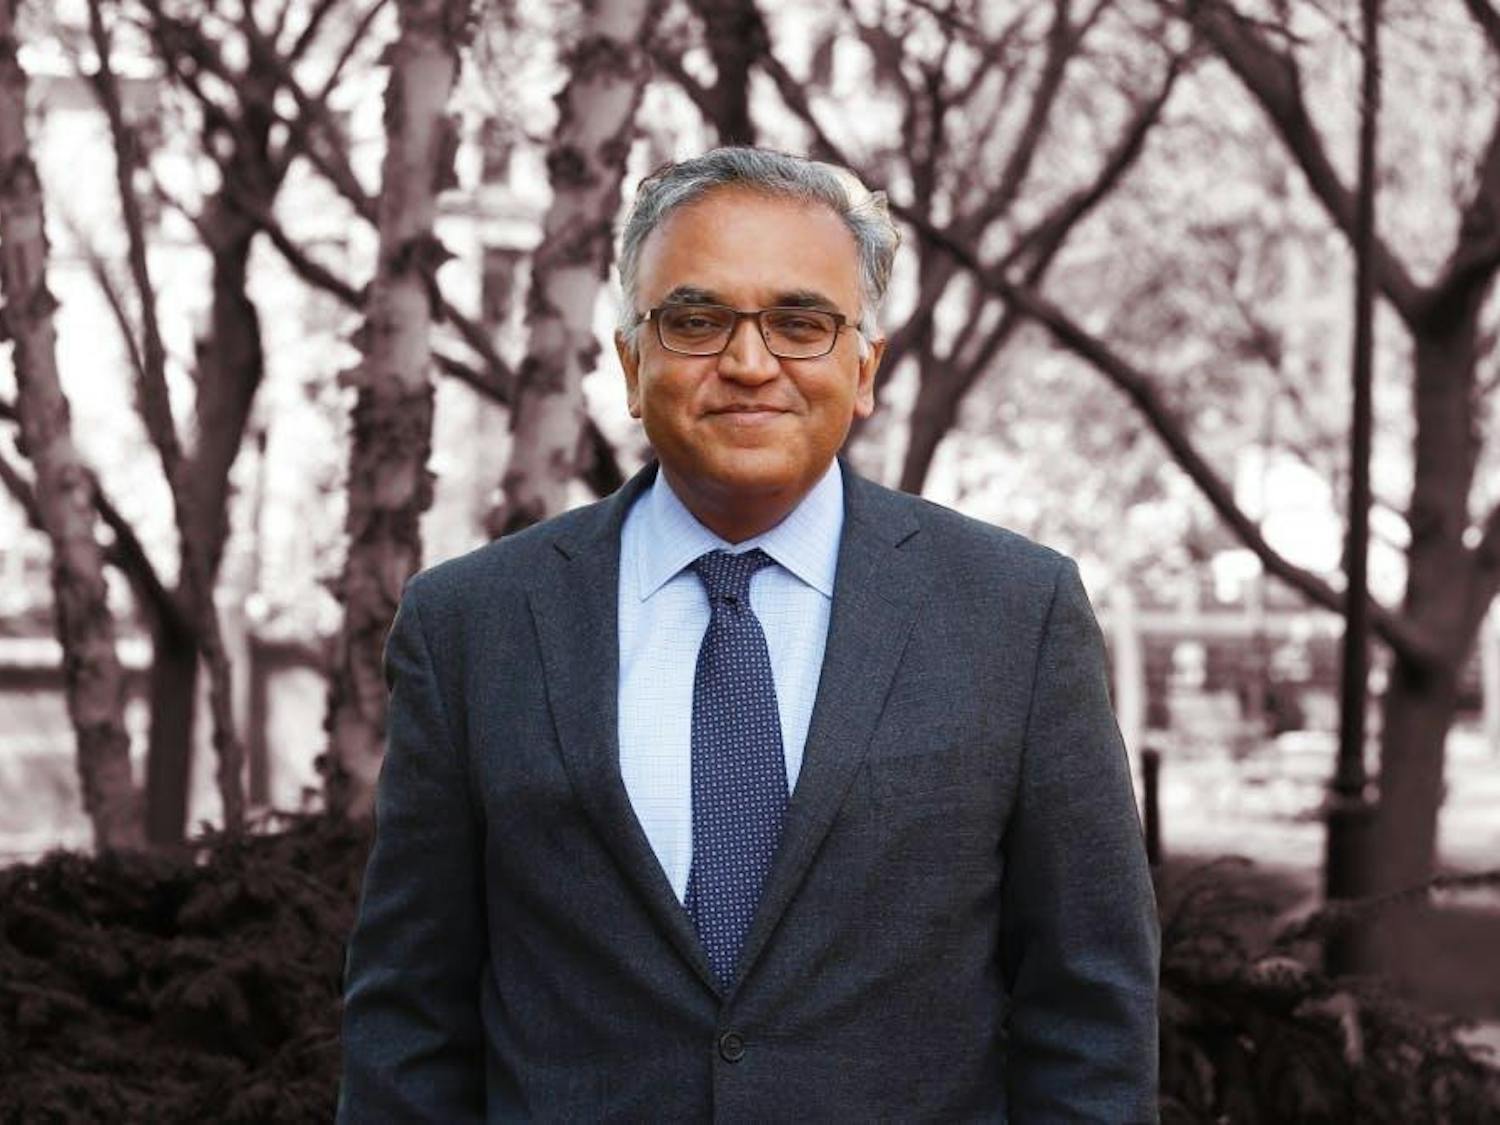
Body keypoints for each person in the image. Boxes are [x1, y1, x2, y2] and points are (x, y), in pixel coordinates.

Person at [338, 146, 1159, 1121]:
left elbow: (1091, 1009)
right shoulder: (474, 625)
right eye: (696, 320)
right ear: (633, 364)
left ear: (863, 368)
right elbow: (410, 1016)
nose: (749, 363)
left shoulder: (1015, 616)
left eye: (800, 322)